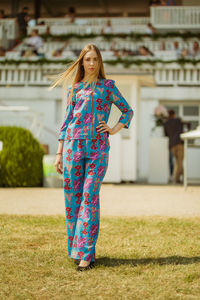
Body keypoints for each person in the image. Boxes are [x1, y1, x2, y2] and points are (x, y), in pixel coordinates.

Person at [50, 44, 134, 271]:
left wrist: (113, 129)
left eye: (95, 59)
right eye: (87, 59)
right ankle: (75, 250)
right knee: (72, 200)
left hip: (98, 150)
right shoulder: (75, 89)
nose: (92, 63)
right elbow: (67, 122)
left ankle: (86, 254)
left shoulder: (108, 87)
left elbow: (127, 110)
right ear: (82, 62)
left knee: (89, 196)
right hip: (72, 149)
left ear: (100, 62)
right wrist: (59, 153)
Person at [164, 110, 184, 184]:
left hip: (172, 145)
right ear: (174, 114)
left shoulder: (166, 123)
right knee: (179, 162)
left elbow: (165, 134)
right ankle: (178, 178)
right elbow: (183, 129)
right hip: (180, 143)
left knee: (176, 162)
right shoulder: (178, 120)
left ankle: (177, 178)